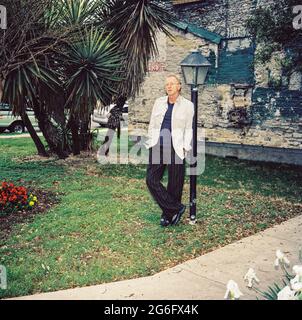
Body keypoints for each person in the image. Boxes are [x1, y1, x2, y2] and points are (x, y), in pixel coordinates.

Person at [145, 74, 194, 227]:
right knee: (151, 180)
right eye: (167, 84)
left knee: (175, 184)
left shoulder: (187, 105)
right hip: (158, 145)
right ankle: (176, 208)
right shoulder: (159, 102)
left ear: (179, 86)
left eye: (172, 83)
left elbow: (189, 129)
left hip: (176, 147)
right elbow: (153, 123)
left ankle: (168, 215)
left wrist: (185, 147)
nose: (169, 86)